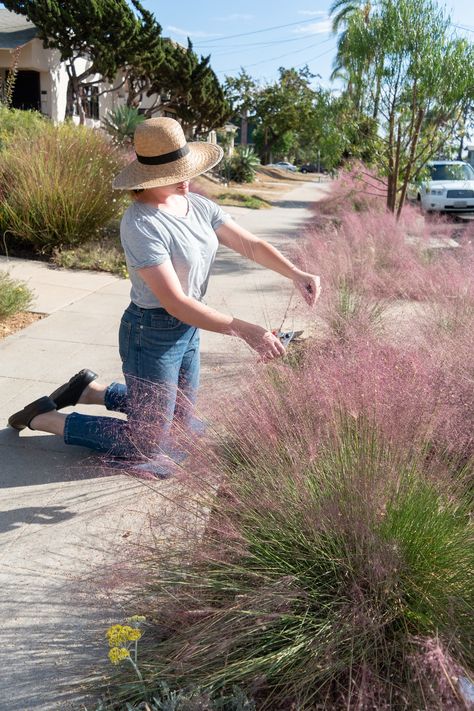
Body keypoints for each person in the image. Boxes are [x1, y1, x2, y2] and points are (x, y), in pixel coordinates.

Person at [8, 117, 321, 476]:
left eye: (185, 167)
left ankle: (93, 390)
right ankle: (46, 417)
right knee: (149, 440)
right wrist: (247, 331)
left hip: (190, 330)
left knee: (181, 427)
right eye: (176, 172)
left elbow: (249, 244)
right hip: (152, 334)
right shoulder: (141, 222)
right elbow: (175, 303)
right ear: (150, 177)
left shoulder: (198, 205)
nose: (187, 176)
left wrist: (296, 273)